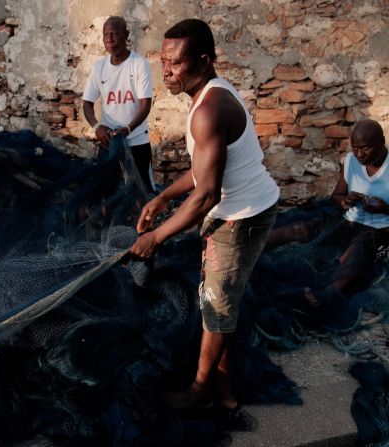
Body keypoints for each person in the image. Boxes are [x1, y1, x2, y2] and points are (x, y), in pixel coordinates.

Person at [128, 19, 279, 410]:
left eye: (175, 63)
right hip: (237, 207)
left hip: (242, 217)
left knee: (215, 304)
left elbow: (206, 193)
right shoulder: (204, 96)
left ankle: (198, 390)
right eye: (163, 61)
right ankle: (225, 392)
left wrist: (155, 237)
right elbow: (202, 169)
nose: (166, 71)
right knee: (220, 296)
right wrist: (162, 199)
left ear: (204, 60)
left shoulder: (209, 109)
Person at [266, 119, 389, 305]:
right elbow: (336, 196)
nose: (359, 154)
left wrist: (387, 209)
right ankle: (252, 245)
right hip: (350, 222)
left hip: (385, 232)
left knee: (359, 246)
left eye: (366, 148)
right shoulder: (351, 161)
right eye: (355, 148)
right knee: (301, 228)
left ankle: (329, 294)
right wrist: (345, 201)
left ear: (382, 141)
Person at [82, 16, 155, 192]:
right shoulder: (99, 67)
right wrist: (98, 126)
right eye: (106, 35)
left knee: (143, 192)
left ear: (126, 35)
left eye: (115, 34)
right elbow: (87, 104)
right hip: (109, 142)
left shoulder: (139, 64)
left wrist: (128, 129)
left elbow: (145, 105)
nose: (110, 39)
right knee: (104, 191)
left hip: (136, 139)